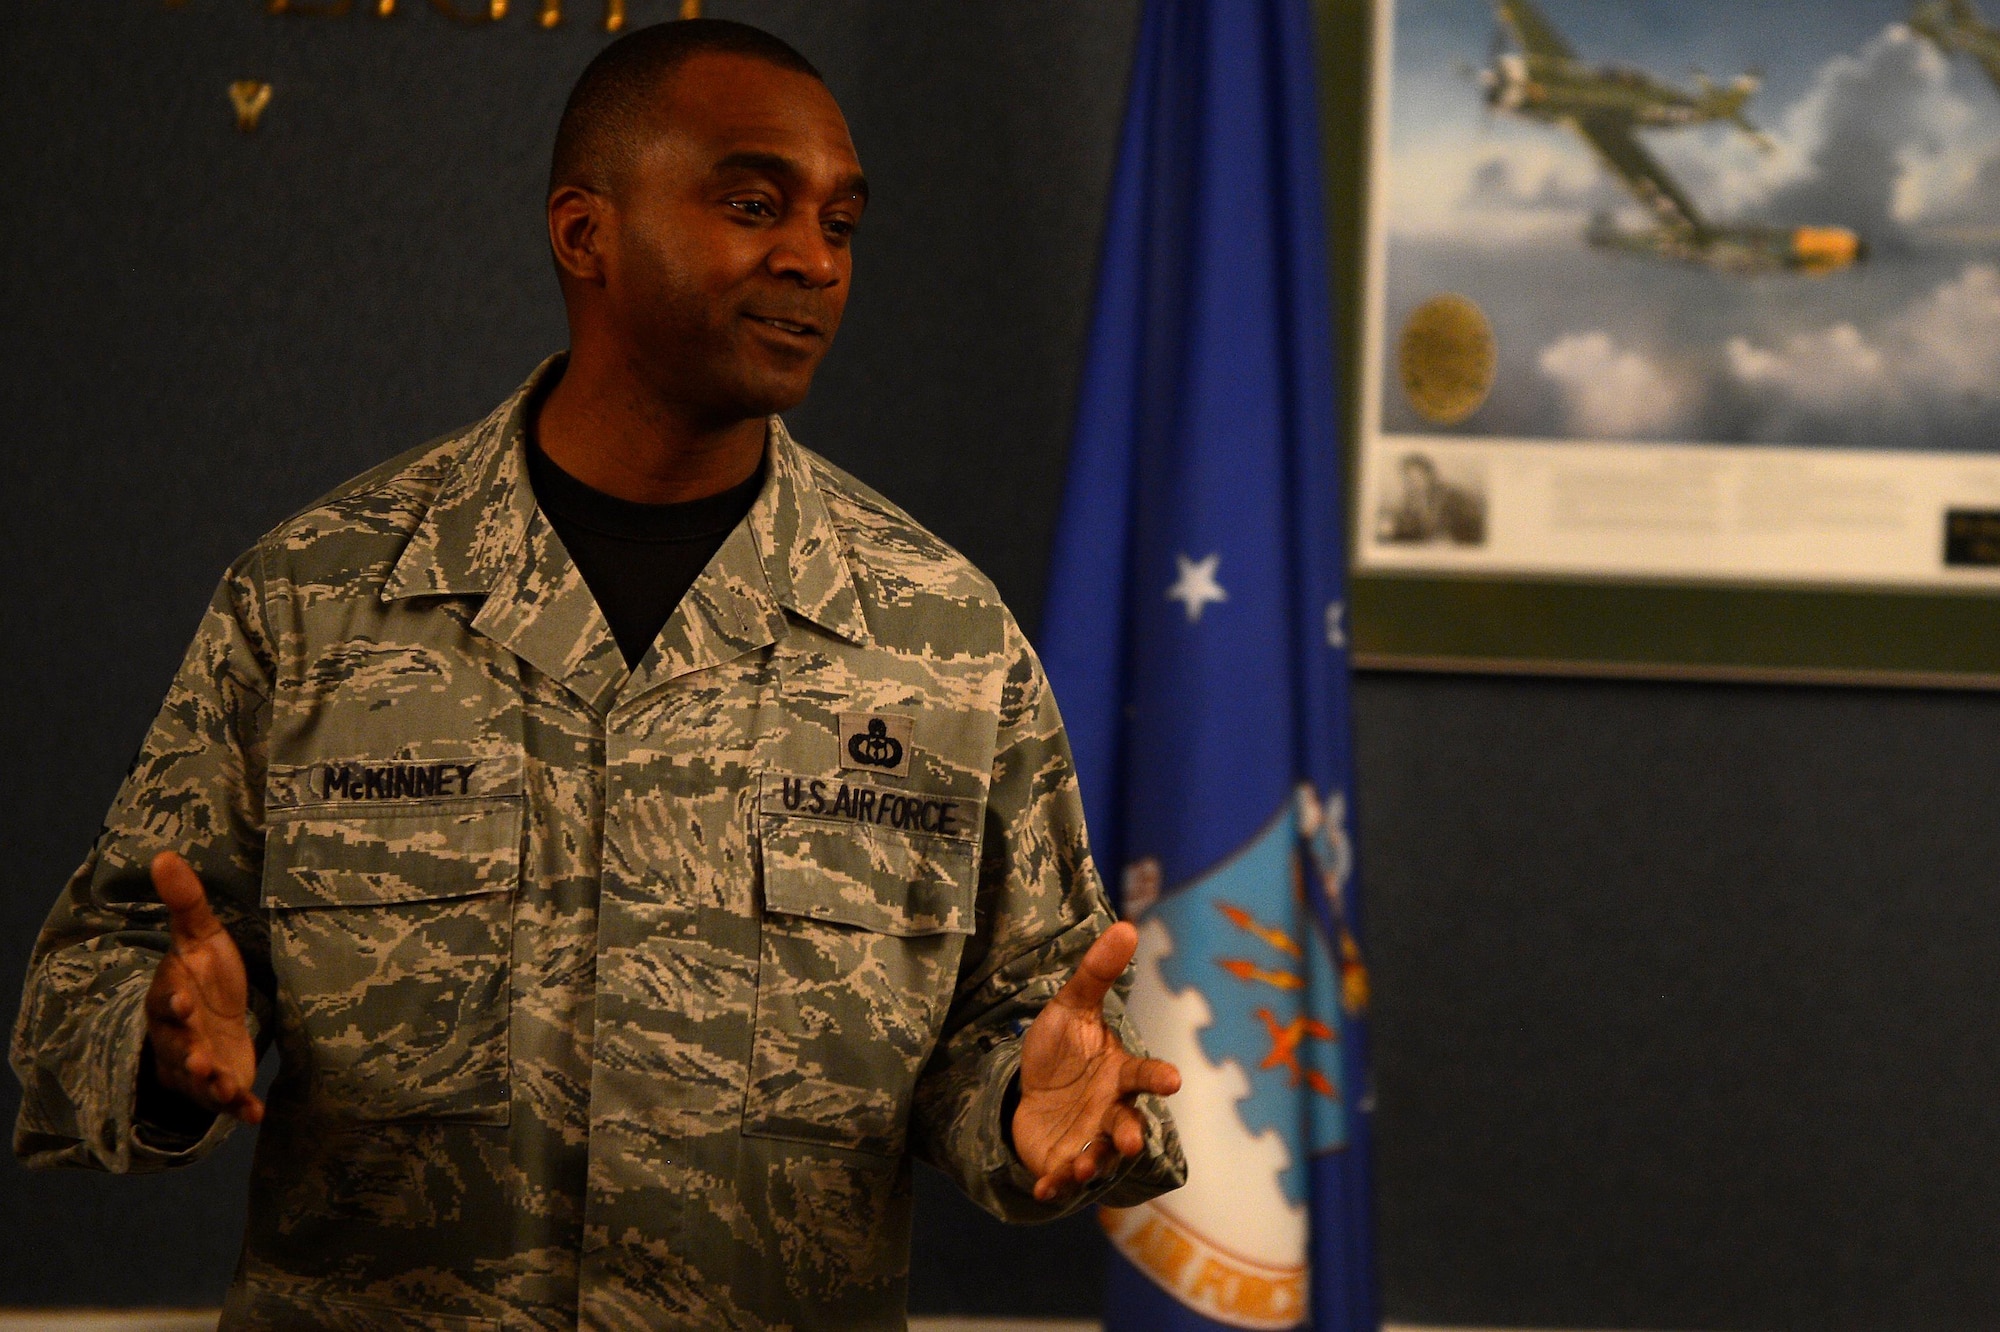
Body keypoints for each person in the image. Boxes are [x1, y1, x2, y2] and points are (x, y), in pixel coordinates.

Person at [10, 20, 1184, 1330]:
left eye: (840, 223)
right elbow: (94, 986)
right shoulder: (316, 600)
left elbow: (1026, 1023)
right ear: (587, 236)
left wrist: (1033, 1105)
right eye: (754, 205)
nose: (812, 258)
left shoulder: (941, 638)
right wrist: (162, 1046)